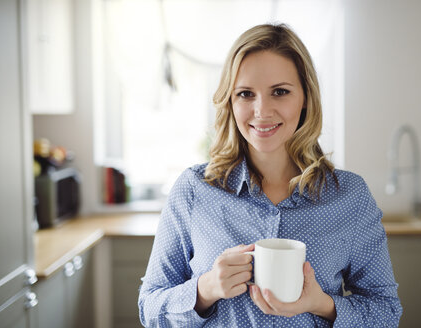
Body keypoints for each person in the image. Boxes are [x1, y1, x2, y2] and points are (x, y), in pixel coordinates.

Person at [138, 23, 402, 327]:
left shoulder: (349, 196)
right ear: (230, 102)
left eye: (280, 92)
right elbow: (150, 310)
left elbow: (386, 313)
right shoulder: (193, 190)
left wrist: (323, 304)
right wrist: (206, 289)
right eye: (246, 94)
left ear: (305, 98)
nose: (262, 111)